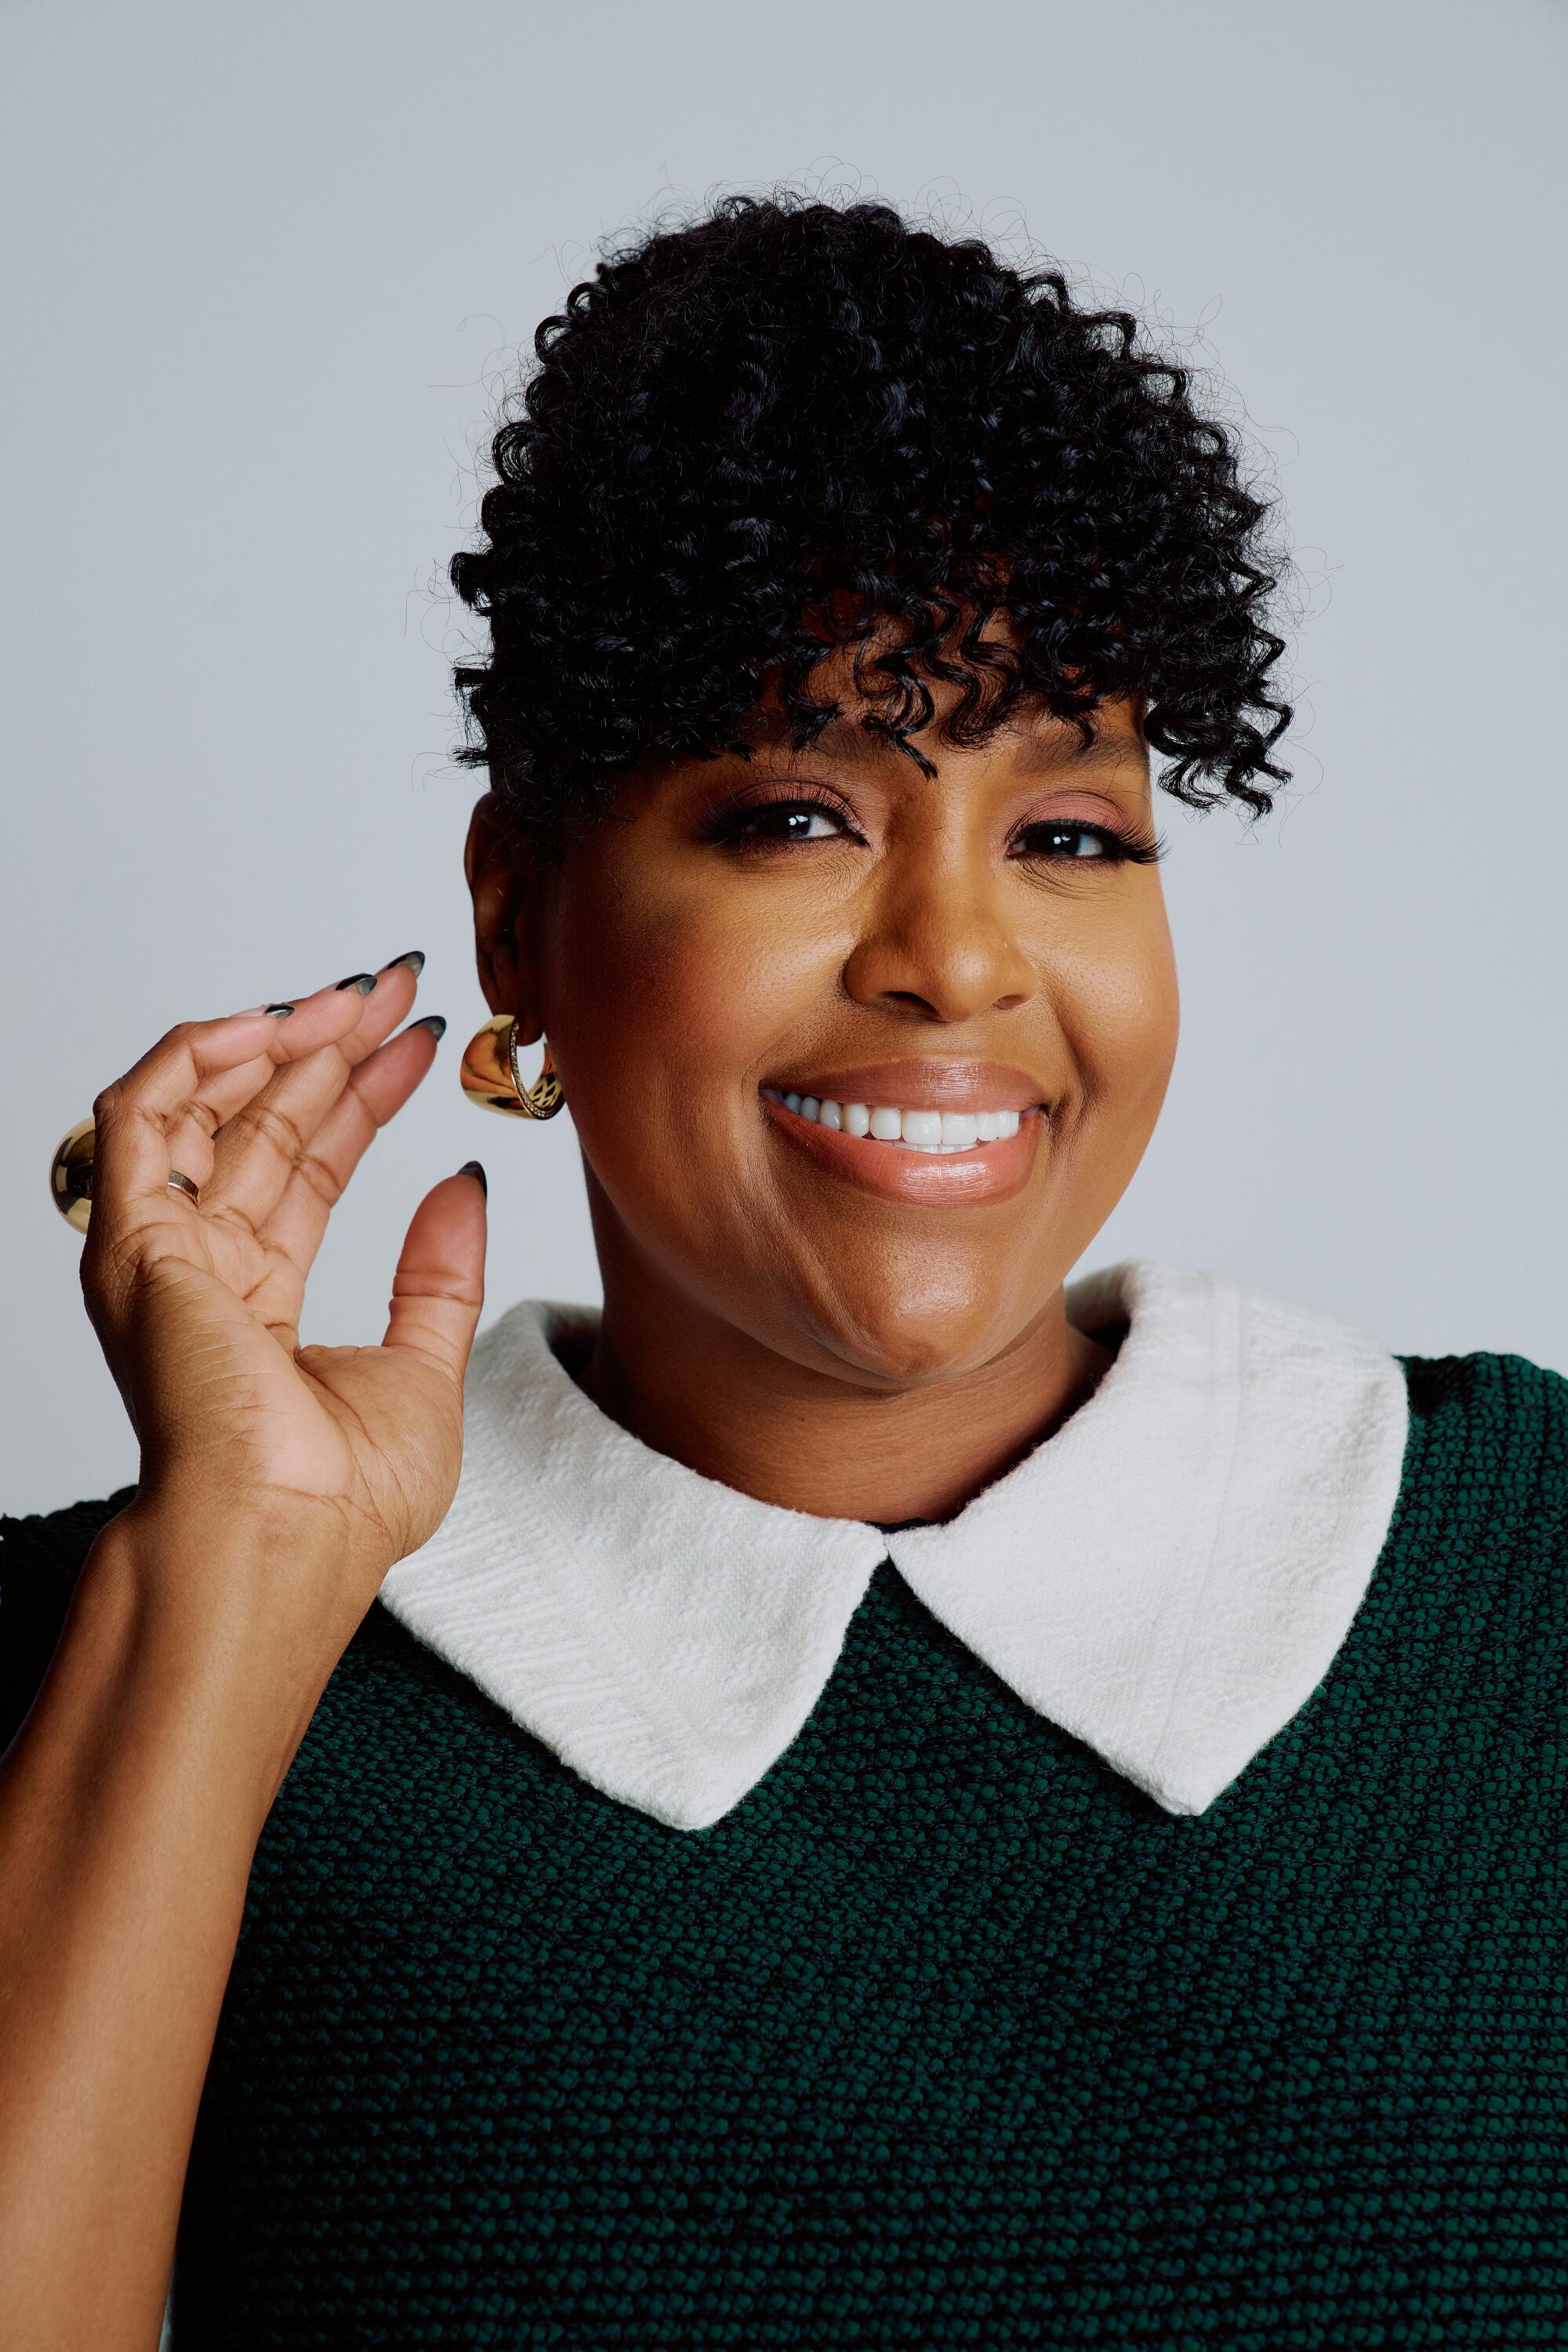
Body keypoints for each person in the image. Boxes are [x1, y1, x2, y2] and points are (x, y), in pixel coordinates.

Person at [2, 194, 1564, 2352]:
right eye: (797, 815)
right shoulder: (121, 1661)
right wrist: (232, 1589)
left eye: (1073, 836)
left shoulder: (1527, 1571)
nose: (956, 956)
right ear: (518, 913)